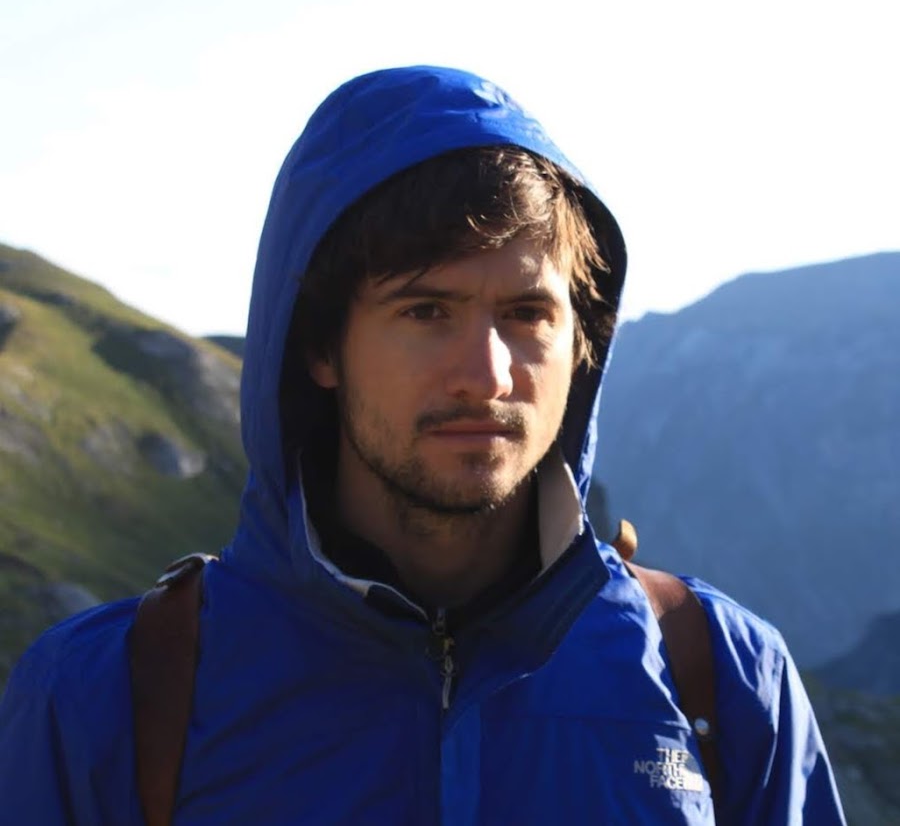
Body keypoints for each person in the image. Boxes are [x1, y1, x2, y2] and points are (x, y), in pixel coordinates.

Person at [0, 65, 845, 824]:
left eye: (528, 315)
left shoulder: (722, 677)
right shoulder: (109, 694)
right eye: (426, 311)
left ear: (581, 347)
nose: (487, 375)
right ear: (320, 347)